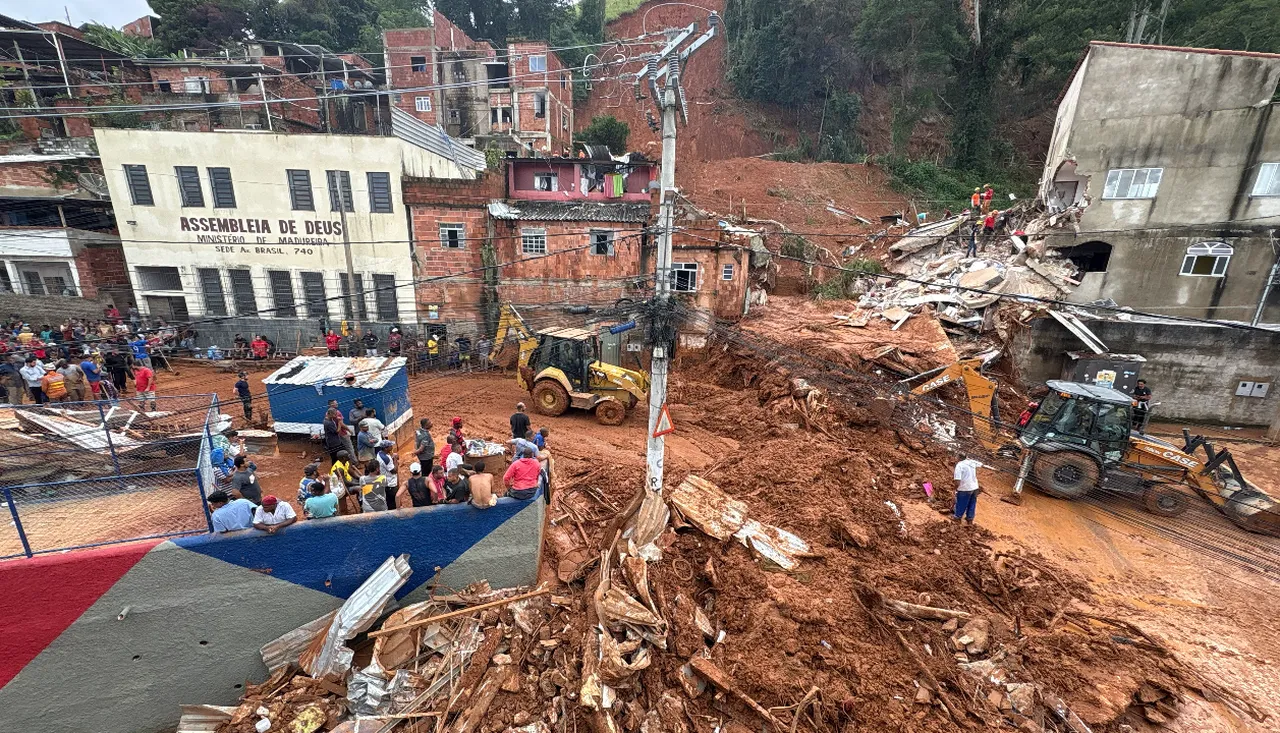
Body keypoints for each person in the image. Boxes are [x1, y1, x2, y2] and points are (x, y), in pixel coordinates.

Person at [953, 456, 983, 524]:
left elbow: (957, 480)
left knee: (961, 503)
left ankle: (957, 517)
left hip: (965, 488)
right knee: (972, 503)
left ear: (958, 457)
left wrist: (955, 489)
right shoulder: (971, 462)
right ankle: (970, 519)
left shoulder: (959, 465)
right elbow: (981, 465)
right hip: (975, 487)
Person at [329, 450, 360, 514]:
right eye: (347, 455)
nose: (349, 455)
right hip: (340, 487)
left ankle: (361, 504)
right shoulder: (338, 469)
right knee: (360, 489)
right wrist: (358, 483)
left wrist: (361, 478)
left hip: (349, 481)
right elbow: (344, 482)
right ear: (343, 458)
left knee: (363, 486)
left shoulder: (346, 462)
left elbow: (352, 472)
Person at [376, 440, 398, 509]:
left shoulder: (380, 453)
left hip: (385, 481)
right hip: (390, 483)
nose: (392, 447)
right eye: (390, 446)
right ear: (385, 448)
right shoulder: (386, 459)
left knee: (388, 500)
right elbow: (394, 471)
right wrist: (395, 459)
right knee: (392, 502)